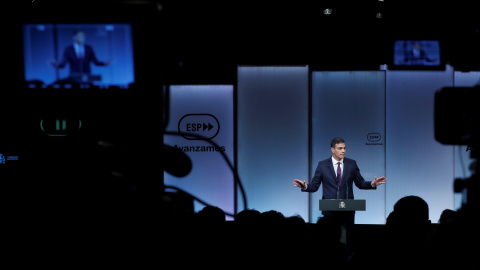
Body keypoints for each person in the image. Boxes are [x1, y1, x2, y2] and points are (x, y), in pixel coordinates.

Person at [292, 137, 386, 260]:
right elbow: (314, 186)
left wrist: (372, 184)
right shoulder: (322, 165)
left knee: (348, 242)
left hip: (348, 210)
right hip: (330, 210)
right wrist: (305, 186)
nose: (343, 151)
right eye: (340, 148)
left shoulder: (351, 163)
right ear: (332, 149)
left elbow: (360, 183)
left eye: (344, 148)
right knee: (329, 242)